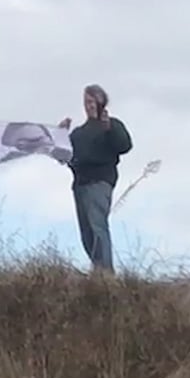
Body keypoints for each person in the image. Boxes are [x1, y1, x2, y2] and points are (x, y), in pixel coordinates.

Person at [58, 84, 132, 274]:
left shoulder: (112, 125)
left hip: (100, 182)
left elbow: (124, 146)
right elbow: (63, 156)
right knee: (87, 232)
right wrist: (60, 136)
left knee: (97, 225)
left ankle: (105, 272)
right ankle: (98, 268)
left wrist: (110, 129)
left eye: (91, 101)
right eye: (86, 102)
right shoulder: (78, 133)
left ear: (101, 102)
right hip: (80, 184)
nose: (88, 106)